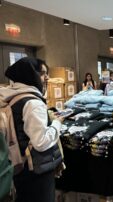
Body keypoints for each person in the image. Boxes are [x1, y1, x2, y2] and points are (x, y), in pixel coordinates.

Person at [1, 57, 64, 202]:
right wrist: (57, 123)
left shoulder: (11, 96)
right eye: (42, 73)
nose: (47, 77)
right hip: (36, 169)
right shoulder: (33, 102)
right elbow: (41, 142)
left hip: (20, 166)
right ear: (29, 75)